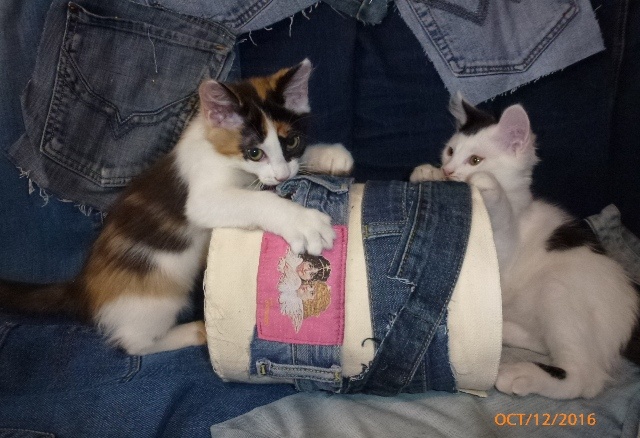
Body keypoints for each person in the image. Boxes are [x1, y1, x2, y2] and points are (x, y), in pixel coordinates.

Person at [1, 0, 639, 437]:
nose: (281, 170)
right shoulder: (206, 157)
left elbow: (274, 164)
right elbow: (221, 197)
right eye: (454, 154)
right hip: (144, 289)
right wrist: (282, 205)